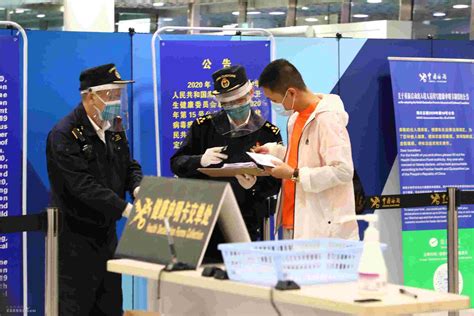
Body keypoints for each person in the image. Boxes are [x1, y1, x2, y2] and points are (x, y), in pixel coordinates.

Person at [46, 63, 143, 315]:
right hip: (76, 241)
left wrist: (137, 186)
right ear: (91, 96)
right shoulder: (64, 134)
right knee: (78, 307)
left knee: (110, 305)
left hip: (108, 238)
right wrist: (125, 209)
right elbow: (82, 186)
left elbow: (128, 164)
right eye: (112, 95)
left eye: (119, 95)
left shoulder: (114, 127)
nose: (117, 102)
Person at [170, 65, 282, 260]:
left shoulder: (267, 132)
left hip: (246, 218)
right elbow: (177, 162)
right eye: (228, 103)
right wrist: (199, 160)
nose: (236, 106)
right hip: (206, 219)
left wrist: (256, 185)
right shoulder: (203, 127)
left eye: (239, 99)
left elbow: (277, 180)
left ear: (250, 94)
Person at [254, 59, 359, 240]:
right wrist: (274, 152)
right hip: (292, 220)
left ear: (291, 92)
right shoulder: (296, 118)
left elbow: (343, 170)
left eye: (275, 100)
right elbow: (304, 153)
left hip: (320, 226)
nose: (276, 106)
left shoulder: (327, 119)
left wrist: (294, 174)